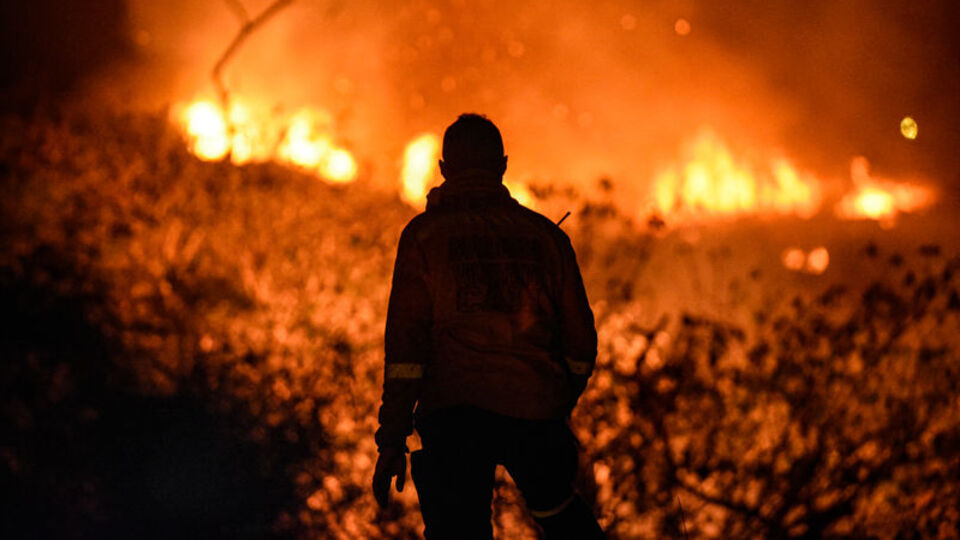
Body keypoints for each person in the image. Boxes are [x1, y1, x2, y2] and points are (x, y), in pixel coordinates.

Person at [372, 113, 603, 539]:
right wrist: (556, 398)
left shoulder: (424, 237)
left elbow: (406, 348)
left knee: (458, 532)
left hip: (454, 413)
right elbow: (580, 342)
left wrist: (392, 439)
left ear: (444, 168)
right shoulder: (546, 238)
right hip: (534, 409)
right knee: (561, 516)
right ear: (503, 166)